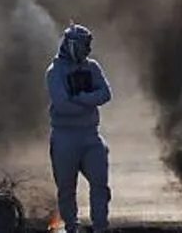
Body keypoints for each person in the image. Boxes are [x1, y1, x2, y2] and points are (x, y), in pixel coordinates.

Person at [46, 24, 113, 233]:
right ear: (73, 45)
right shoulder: (55, 72)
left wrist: (81, 99)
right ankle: (71, 227)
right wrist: (90, 102)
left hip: (90, 134)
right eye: (84, 45)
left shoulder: (92, 67)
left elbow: (106, 93)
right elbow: (62, 105)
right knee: (66, 187)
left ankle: (100, 226)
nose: (88, 50)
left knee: (100, 183)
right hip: (65, 136)